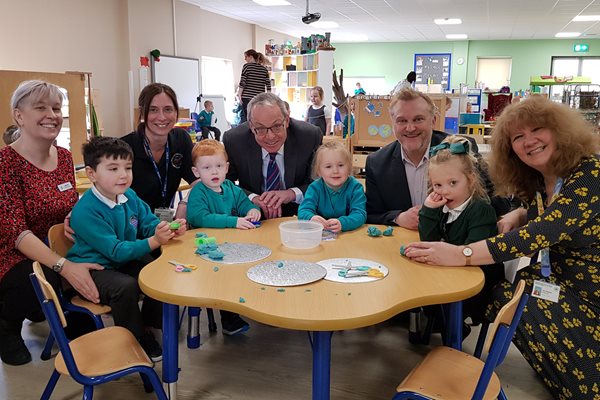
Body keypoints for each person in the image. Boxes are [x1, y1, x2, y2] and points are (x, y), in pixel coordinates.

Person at [404, 96, 600, 399]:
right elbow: (549, 214)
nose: (529, 141)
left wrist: (461, 254)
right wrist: (521, 213)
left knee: (516, 298)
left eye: (537, 129)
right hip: (558, 283)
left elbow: (543, 232)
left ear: (561, 130)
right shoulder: (540, 179)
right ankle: (560, 370)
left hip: (589, 293)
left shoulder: (591, 173)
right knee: (508, 295)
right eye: (517, 137)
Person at [0, 80, 102, 366]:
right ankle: (7, 324)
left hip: (56, 245)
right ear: (19, 115)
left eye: (56, 108)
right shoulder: (6, 164)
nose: (52, 114)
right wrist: (64, 266)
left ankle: (62, 310)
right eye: (41, 107)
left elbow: (68, 202)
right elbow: (16, 233)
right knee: (39, 277)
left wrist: (73, 216)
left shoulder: (65, 157)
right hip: (14, 254)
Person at [67, 137, 187, 361]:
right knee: (126, 287)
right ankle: (134, 336)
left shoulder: (128, 195)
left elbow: (147, 222)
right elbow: (115, 251)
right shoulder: (86, 211)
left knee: (159, 268)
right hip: (94, 268)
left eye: (128, 168)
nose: (123, 175)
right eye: (113, 168)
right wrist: (155, 241)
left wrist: (166, 228)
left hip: (121, 260)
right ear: (92, 174)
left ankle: (150, 323)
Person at [365, 88, 509, 228]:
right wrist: (398, 217)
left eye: (418, 119)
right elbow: (371, 214)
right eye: (402, 121)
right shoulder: (377, 163)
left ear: (433, 121)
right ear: (393, 124)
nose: (410, 128)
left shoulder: (459, 148)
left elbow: (498, 201)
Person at [418, 136, 503, 325]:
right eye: (438, 185)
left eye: (453, 183)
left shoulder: (481, 210)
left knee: (435, 299)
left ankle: (452, 329)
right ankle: (438, 325)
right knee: (423, 292)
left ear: (470, 179)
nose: (445, 191)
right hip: (453, 275)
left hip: (478, 286)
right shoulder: (443, 206)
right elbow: (428, 241)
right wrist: (429, 210)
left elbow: (473, 254)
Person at [223, 92, 322, 219]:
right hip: (251, 214)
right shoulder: (235, 140)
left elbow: (321, 182)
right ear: (251, 126)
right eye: (261, 128)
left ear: (286, 121)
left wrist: (292, 193)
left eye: (276, 126)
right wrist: (253, 198)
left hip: (300, 213)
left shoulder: (309, 136)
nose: (270, 136)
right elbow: (225, 183)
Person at [121, 83, 197, 220]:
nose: (162, 117)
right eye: (153, 110)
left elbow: (199, 181)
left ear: (176, 111)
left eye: (168, 109)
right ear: (142, 112)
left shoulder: (181, 139)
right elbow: (103, 193)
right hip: (130, 227)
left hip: (165, 225)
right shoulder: (124, 147)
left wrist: (185, 202)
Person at [187, 139, 261, 229]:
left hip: (232, 239)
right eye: (206, 167)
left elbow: (244, 204)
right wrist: (233, 221)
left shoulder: (230, 187)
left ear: (226, 168)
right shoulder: (198, 192)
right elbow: (199, 218)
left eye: (219, 166)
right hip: (206, 240)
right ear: (196, 172)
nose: (214, 172)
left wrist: (252, 211)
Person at [298, 141, 366, 232]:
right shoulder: (315, 188)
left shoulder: (355, 188)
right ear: (319, 171)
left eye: (341, 165)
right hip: (320, 236)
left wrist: (343, 223)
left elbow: (360, 214)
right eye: (328, 166)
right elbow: (303, 210)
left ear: (349, 167)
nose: (335, 171)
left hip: (348, 236)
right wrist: (311, 218)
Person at [237, 49, 271, 123]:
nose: (245, 59)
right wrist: (268, 97)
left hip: (246, 97)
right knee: (258, 118)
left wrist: (239, 94)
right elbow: (268, 85)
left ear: (251, 57)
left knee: (247, 120)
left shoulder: (246, 66)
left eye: (246, 57)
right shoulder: (264, 69)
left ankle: (246, 134)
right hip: (259, 98)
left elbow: (243, 82)